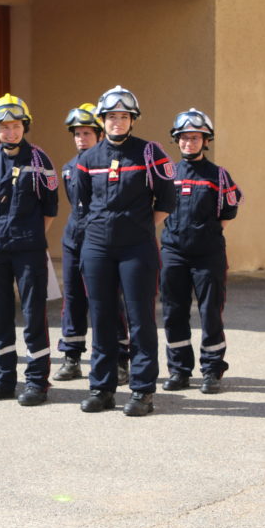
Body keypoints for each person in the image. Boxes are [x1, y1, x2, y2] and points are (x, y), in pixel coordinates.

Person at [74, 86, 176, 416]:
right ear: (102, 121)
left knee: (140, 318)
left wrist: (140, 226)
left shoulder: (151, 153)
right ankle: (101, 388)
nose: (117, 122)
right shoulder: (88, 159)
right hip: (98, 248)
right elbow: (83, 204)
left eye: (123, 117)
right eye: (111, 117)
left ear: (133, 120)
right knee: (101, 317)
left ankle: (142, 390)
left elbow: (167, 200)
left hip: (137, 248)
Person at [0, 94, 58, 407]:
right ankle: (2, 379)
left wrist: (30, 236)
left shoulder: (40, 161)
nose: (10, 132)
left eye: (15, 125)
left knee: (34, 314)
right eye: (3, 127)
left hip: (28, 250)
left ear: (25, 126)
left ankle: (37, 382)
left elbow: (50, 208)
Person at [161, 108, 241, 394]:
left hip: (208, 255)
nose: (188, 143)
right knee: (173, 311)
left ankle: (212, 370)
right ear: (177, 140)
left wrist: (205, 236)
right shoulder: (168, 173)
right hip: (173, 252)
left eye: (195, 138)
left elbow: (228, 212)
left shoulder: (218, 175)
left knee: (210, 312)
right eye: (183, 138)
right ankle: (180, 370)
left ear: (205, 140)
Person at [55, 104, 130, 385]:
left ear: (99, 135)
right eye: (76, 134)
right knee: (73, 298)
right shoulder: (68, 169)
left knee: (110, 301)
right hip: (75, 239)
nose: (81, 139)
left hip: (103, 241)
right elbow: (76, 205)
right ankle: (72, 356)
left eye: (87, 133)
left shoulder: (110, 164)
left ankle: (121, 358)